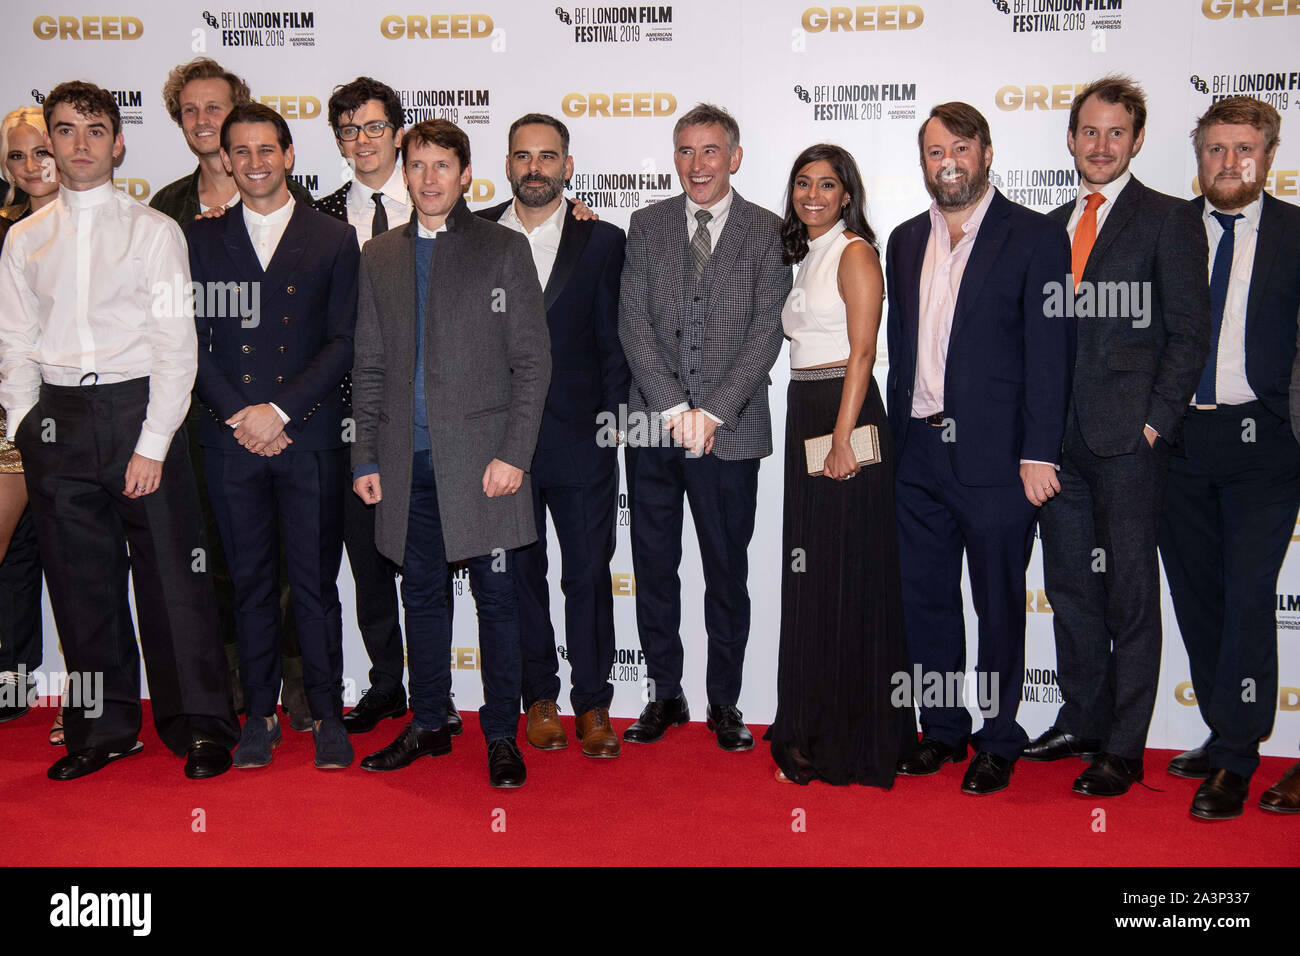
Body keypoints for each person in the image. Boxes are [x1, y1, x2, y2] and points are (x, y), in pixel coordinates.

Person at [0, 80, 239, 780]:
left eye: (94, 130)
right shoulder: (24, 240)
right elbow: (13, 344)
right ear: (50, 143)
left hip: (142, 412)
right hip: (57, 419)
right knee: (80, 584)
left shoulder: (155, 231)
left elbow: (176, 347)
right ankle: (102, 728)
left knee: (174, 580)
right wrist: (26, 423)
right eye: (66, 131)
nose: (80, 144)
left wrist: (152, 444)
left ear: (118, 140)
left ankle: (200, 726)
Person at [350, 119, 550, 787]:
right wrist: (365, 458)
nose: (430, 178)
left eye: (443, 166)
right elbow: (370, 367)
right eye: (418, 166)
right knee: (424, 598)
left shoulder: (502, 248)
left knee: (497, 601)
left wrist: (514, 453)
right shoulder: (378, 256)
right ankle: (430, 721)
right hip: (407, 466)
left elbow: (532, 360)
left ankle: (500, 734)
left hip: (486, 465)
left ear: (466, 175)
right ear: (404, 174)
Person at [1029, 75, 1211, 798]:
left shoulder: (1168, 219)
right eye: (1088, 131)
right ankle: (1083, 718)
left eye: (1115, 133)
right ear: (1071, 139)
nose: (1100, 145)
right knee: (1071, 587)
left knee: (1130, 595)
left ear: (1136, 141)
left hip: (1129, 443)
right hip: (1057, 447)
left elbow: (1190, 333)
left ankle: (1126, 747)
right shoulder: (1046, 227)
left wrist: (1154, 422)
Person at [886, 102, 1073, 795]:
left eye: (960, 148)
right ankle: (941, 729)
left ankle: (999, 738)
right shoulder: (905, 241)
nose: (948, 163)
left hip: (999, 463)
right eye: (935, 152)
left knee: (997, 605)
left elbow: (1052, 354)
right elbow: (902, 352)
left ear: (987, 152)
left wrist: (1040, 452)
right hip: (919, 455)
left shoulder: (1034, 236)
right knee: (926, 601)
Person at [185, 102, 359, 771]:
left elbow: (344, 340)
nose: (255, 163)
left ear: (289, 155)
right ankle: (257, 713)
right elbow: (188, 343)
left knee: (314, 586)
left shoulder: (332, 237)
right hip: (230, 441)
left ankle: (326, 716)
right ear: (225, 160)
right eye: (241, 151)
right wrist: (242, 414)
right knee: (250, 584)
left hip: (308, 439)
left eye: (268, 149)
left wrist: (280, 412)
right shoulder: (200, 239)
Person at [618, 103, 790, 751]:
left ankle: (724, 702)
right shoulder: (647, 224)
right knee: (654, 567)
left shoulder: (768, 230)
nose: (698, 165)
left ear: (735, 157)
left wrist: (712, 411)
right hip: (652, 430)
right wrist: (672, 409)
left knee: (726, 571)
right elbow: (632, 324)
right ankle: (665, 693)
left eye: (711, 151)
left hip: (732, 431)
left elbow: (766, 331)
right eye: (686, 151)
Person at [152, 56, 313, 729]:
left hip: (292, 417)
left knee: (294, 559)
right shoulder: (166, 209)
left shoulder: (298, 201)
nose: (203, 121)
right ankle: (237, 694)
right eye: (190, 111)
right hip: (205, 420)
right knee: (220, 562)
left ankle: (300, 688)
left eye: (214, 108)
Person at [1156, 97, 1300, 820]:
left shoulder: (1296, 233)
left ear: (1268, 155)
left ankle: (1238, 758)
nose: (1229, 161)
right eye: (1215, 148)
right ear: (1199, 155)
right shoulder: (1168, 227)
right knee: (1199, 596)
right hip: (1179, 441)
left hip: (1266, 443)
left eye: (1244, 148)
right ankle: (1223, 730)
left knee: (1247, 596)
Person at [314, 75, 466, 737]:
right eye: (348, 130)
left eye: (374, 127)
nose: (362, 141)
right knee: (371, 557)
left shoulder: (448, 208)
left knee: (431, 564)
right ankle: (386, 683)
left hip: (434, 419)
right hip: (347, 412)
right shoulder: (313, 215)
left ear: (398, 134)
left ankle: (441, 693)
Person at [476, 113, 628, 757]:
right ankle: (538, 697)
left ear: (567, 166)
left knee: (589, 574)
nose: (534, 167)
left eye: (547, 156)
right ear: (507, 165)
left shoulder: (602, 240)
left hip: (580, 436)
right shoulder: (473, 234)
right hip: (497, 440)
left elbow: (616, 339)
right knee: (520, 574)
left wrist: (614, 419)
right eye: (522, 156)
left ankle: (593, 704)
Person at [766, 143, 913, 785]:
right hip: (808, 407)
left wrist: (846, 437)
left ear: (847, 193)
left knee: (848, 574)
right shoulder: (807, 256)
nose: (814, 195)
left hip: (843, 414)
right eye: (804, 184)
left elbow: (862, 353)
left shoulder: (855, 252)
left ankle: (853, 736)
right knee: (816, 573)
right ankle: (815, 720)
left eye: (828, 185)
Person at [0, 106, 52, 733]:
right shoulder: (6, 233)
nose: (33, 164)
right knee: (11, 553)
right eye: (18, 155)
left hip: (75, 410)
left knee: (65, 553)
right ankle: (8, 678)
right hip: (10, 414)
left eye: (43, 149)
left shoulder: (102, 227)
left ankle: (81, 696)